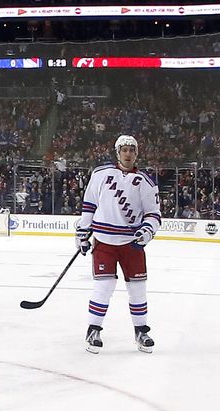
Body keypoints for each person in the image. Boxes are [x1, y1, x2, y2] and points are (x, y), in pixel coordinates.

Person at [75, 135, 162, 354]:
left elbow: (154, 214)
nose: (128, 153)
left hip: (131, 245)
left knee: (138, 289)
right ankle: (93, 330)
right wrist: (82, 234)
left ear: (137, 153)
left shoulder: (145, 181)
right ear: (117, 152)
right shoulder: (100, 175)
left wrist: (146, 231)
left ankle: (141, 331)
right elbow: (89, 205)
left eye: (132, 149)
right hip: (104, 242)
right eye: (124, 149)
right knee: (104, 287)